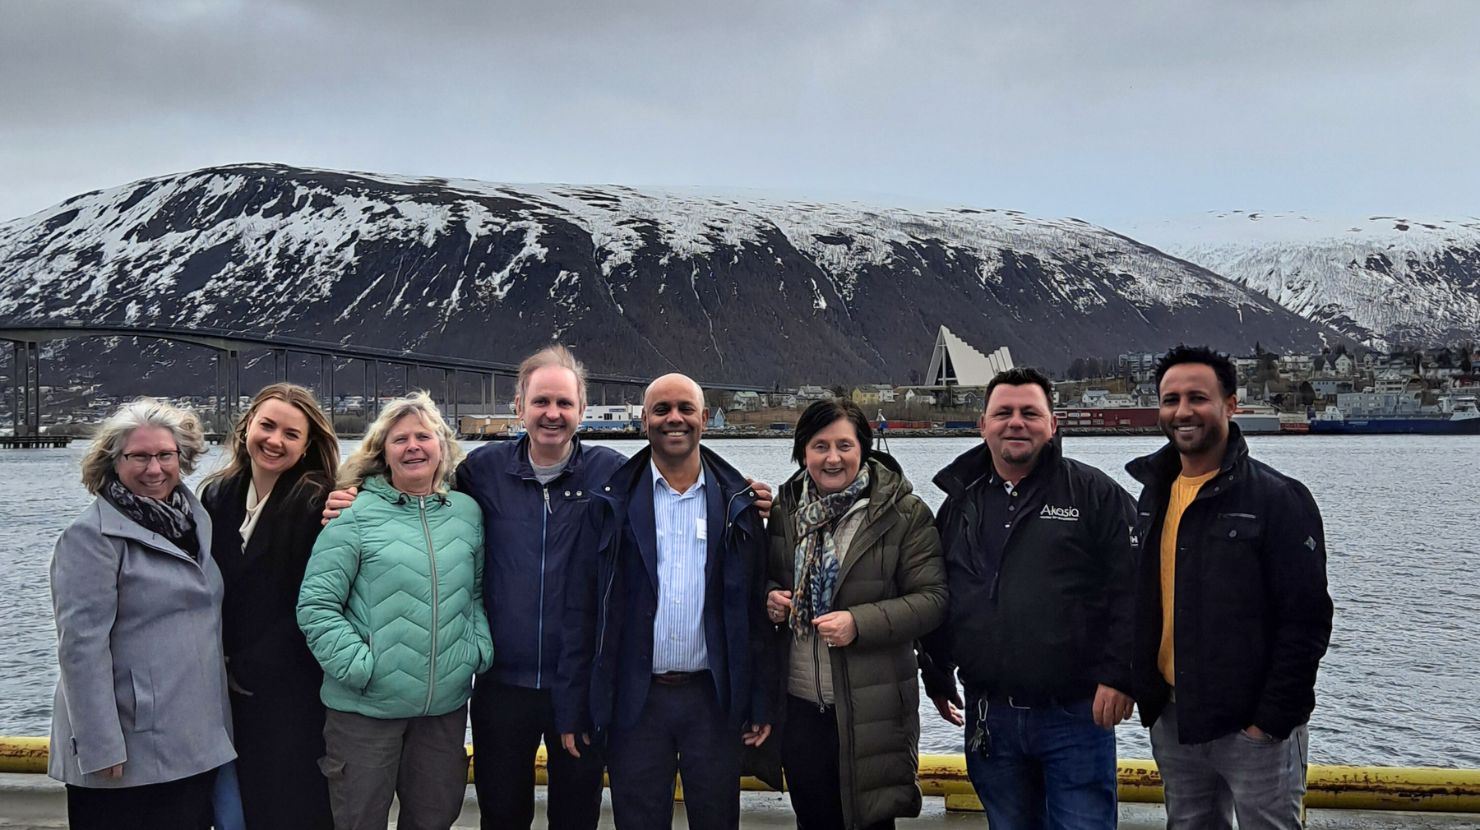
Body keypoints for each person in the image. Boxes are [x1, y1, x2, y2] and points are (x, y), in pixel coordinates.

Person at [920, 367, 1137, 830]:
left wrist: (1121, 675)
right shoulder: (960, 502)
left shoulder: (1095, 494)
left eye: (1029, 413)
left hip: (1076, 715)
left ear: (1053, 424)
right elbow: (942, 589)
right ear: (983, 425)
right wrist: (937, 674)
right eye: (1003, 412)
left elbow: (1133, 591)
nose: (1015, 422)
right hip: (990, 716)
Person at [1126, 345, 1332, 830]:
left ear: (1230, 405)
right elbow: (1141, 600)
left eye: (1197, 397)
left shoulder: (1279, 499)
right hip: (1176, 719)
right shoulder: (1152, 496)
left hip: (1254, 728)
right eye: (1170, 399)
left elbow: (1306, 621)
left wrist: (1270, 722)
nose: (1182, 411)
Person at [558, 373, 772, 830]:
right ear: (643, 421)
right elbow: (582, 613)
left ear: (705, 420)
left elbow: (753, 612)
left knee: (716, 820)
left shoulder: (738, 504)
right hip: (636, 702)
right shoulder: (608, 505)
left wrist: (761, 700)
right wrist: (574, 704)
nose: (674, 419)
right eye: (661, 410)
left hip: (712, 702)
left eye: (685, 409)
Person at [297, 392, 494, 830]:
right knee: (359, 819)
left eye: (424, 436)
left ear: (442, 446)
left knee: (434, 818)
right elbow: (316, 604)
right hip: (365, 712)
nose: (413, 446)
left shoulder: (467, 514)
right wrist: (359, 666)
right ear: (382, 451)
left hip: (442, 709)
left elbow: (477, 592)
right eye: (399, 438)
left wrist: (475, 649)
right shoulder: (353, 513)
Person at [49, 399, 234, 830]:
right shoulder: (90, 537)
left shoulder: (196, 520)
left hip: (192, 742)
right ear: (114, 462)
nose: (154, 469)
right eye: (139, 456)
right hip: (126, 749)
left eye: (165, 455)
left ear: (181, 458)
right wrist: (100, 747)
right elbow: (80, 647)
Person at [761, 399, 946, 830]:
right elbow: (763, 580)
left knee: (872, 823)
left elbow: (933, 599)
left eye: (844, 445)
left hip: (872, 710)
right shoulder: (786, 511)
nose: (832, 457)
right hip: (802, 706)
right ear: (802, 451)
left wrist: (858, 624)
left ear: (863, 448)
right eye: (819, 445)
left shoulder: (904, 513)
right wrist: (770, 599)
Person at [200, 382, 338, 828]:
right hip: (224, 692)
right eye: (267, 426)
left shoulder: (319, 503)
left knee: (292, 804)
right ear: (246, 428)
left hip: (292, 693)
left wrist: (250, 666)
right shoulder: (216, 497)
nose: (275, 441)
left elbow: (315, 602)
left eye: (291, 434)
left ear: (307, 446)